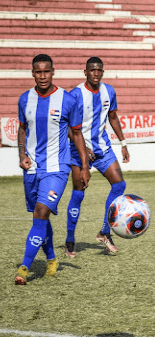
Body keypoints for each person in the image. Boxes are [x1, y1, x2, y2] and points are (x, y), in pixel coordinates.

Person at [15, 54, 90, 285]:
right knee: (40, 219)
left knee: (41, 212)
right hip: (32, 169)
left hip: (57, 168)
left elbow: (76, 134)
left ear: (53, 72)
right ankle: (51, 259)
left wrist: (85, 167)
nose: (43, 76)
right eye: (38, 72)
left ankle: (24, 268)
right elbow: (22, 129)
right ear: (32, 74)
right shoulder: (24, 99)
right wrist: (22, 154)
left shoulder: (67, 100)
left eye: (46, 71)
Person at [65, 57, 130, 257]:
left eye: (99, 70)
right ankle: (70, 240)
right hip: (79, 150)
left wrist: (123, 143)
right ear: (85, 72)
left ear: (102, 72)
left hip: (103, 149)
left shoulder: (109, 91)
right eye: (92, 70)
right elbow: (67, 126)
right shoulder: (75, 94)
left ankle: (104, 231)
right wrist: (83, 146)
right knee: (79, 193)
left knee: (119, 185)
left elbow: (112, 117)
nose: (96, 73)